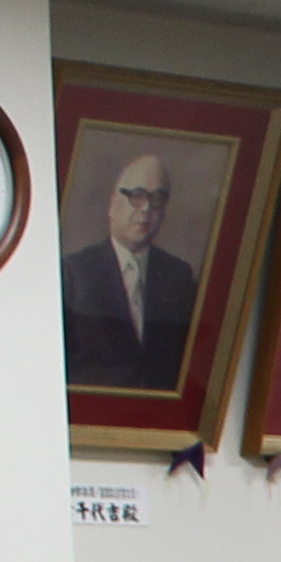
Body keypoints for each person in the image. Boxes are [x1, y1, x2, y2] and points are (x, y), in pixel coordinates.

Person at [57, 149, 200, 392]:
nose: (145, 209)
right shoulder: (74, 272)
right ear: (113, 203)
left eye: (157, 199)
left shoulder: (179, 276)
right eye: (137, 195)